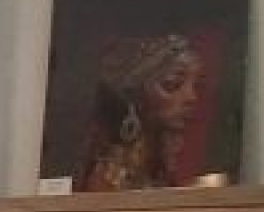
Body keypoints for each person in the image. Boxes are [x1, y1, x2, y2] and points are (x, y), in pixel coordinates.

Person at [76, 33, 204, 191]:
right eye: (172, 84)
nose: (191, 97)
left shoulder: (158, 168)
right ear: (135, 94)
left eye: (197, 85)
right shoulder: (110, 177)